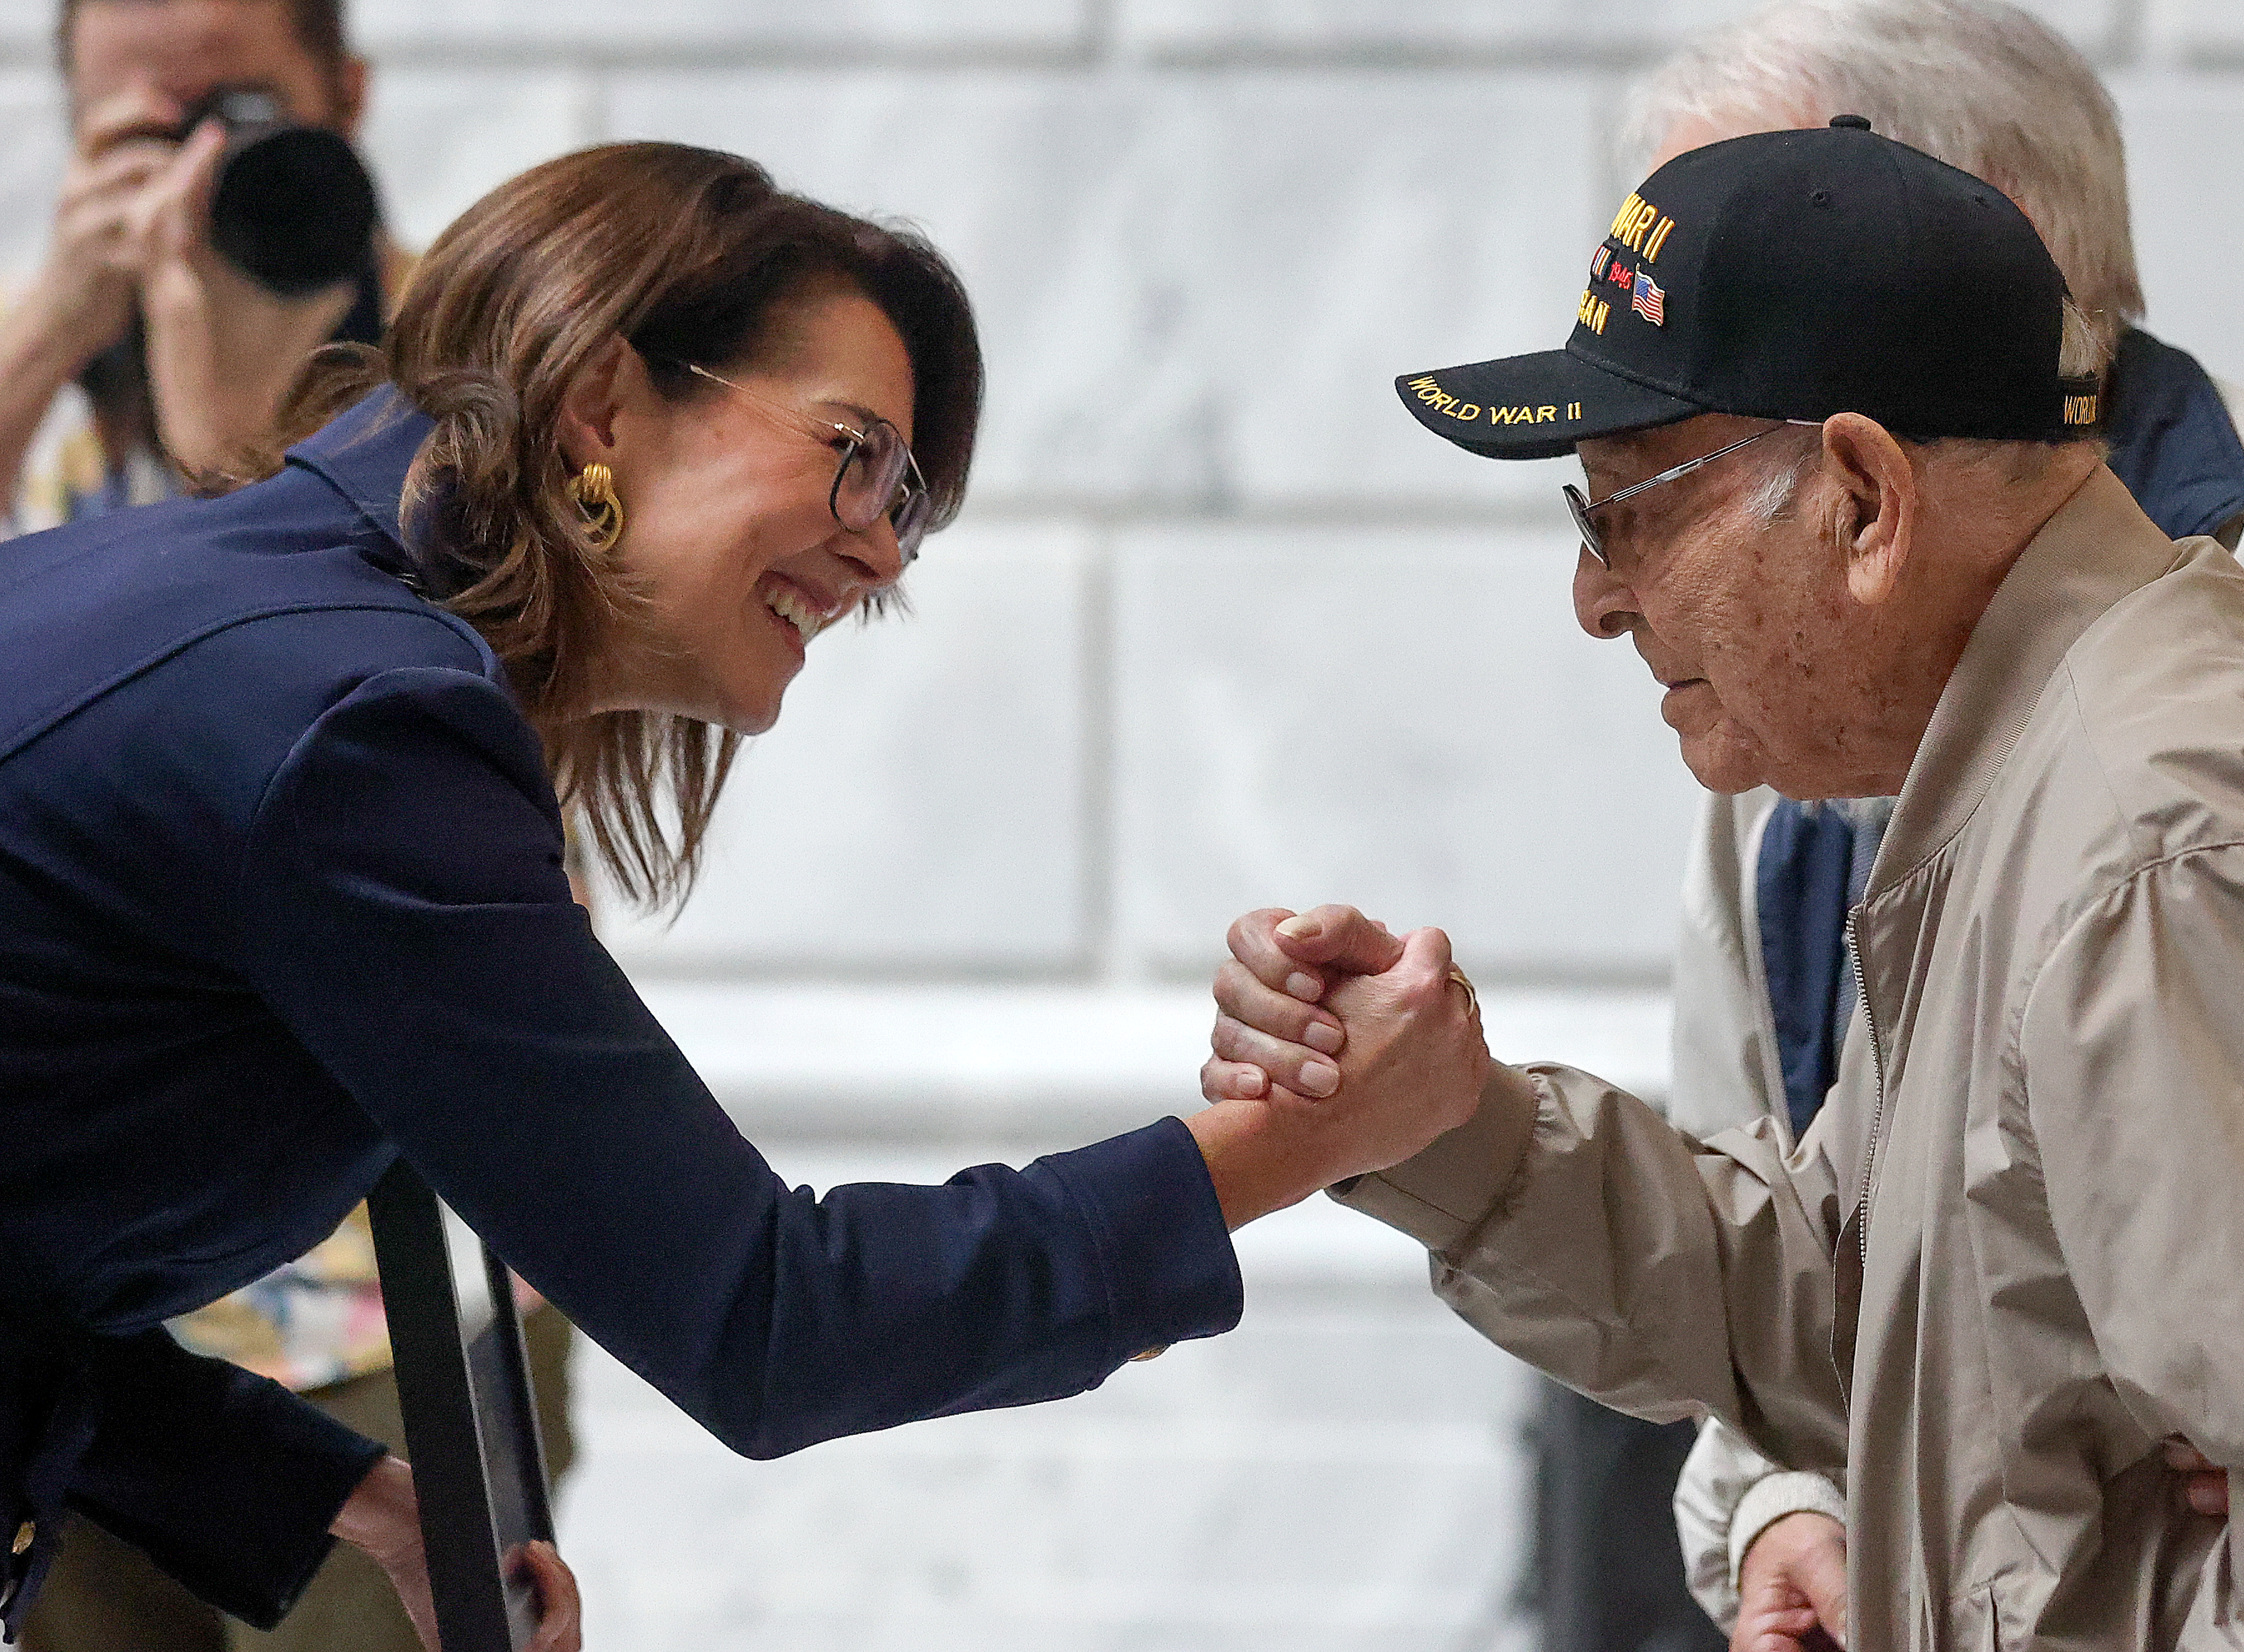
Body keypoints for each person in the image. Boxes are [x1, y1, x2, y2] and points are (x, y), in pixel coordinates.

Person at [0, 139, 1485, 1646]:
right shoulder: (353, 727)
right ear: (601, 400)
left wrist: (344, 1496)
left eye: (912, 502)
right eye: (857, 454)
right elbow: (775, 1322)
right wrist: (1295, 1138)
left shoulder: (218, 601)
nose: (884, 548)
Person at [1206, 121, 2244, 1649]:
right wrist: (1454, 1127)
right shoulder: (2038, 764)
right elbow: (1880, 1317)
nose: (1595, 597)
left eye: (1627, 506)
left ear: (1863, 499)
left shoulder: (2157, 848)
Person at [1592, 4, 2244, 1644]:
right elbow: (1824, 1222)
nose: (1603, 592)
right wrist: (1795, 1493)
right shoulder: (1823, 658)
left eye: (1755, 270)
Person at [0, 7, 580, 1649]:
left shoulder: (481, 382)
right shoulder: (19, 359)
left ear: (349, 95)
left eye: (244, 104)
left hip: (379, 1302)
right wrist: (53, 321)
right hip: (65, 1313)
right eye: (150, 120)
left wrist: (225, 442)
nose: (208, 159)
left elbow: (434, 765)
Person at [2, 0, 412, 530]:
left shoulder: (466, 336)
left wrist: (228, 458)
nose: (191, 178)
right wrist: (43, 344)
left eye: (240, 117)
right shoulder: (27, 335)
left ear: (349, 95)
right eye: (146, 135)